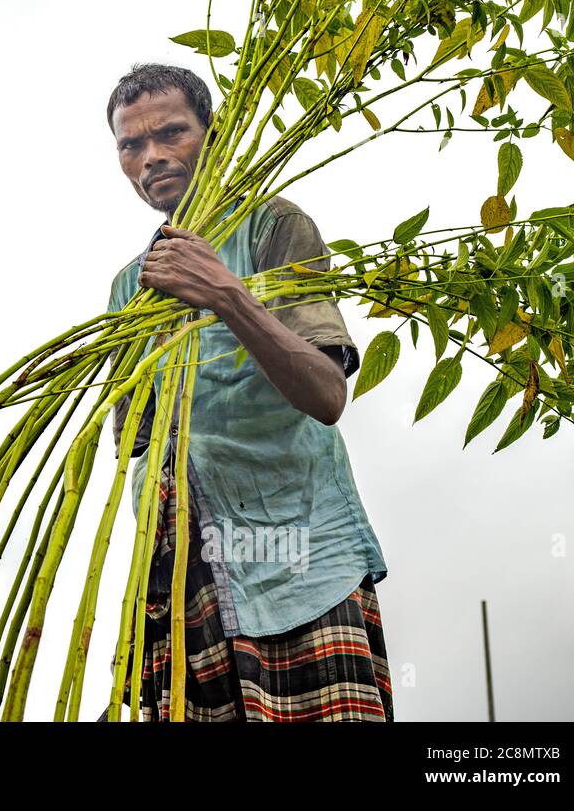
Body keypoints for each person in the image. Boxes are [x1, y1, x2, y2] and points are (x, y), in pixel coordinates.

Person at [98, 63, 392, 722]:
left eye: (172, 133)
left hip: (296, 563)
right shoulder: (130, 288)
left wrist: (226, 294)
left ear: (213, 133)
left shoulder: (273, 229)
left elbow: (325, 395)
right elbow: (138, 442)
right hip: (182, 577)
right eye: (131, 145)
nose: (153, 157)